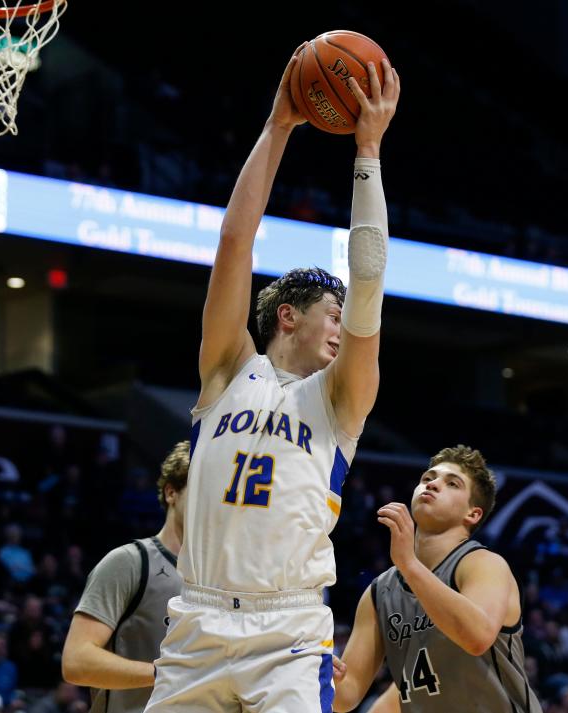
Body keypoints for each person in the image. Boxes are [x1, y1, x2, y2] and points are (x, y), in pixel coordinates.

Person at [144, 41, 399, 712]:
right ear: (287, 315)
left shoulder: (341, 398)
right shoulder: (227, 369)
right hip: (195, 621)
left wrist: (366, 153)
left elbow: (369, 277)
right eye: (331, 314)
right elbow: (236, 240)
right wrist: (278, 125)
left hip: (286, 633)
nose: (345, 327)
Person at [333, 445, 541, 713]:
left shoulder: (484, 565)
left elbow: (476, 637)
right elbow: (344, 696)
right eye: (427, 478)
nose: (432, 485)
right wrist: (321, 669)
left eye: (452, 483)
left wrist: (408, 564)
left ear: (473, 514)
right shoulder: (380, 593)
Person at [62, 441, 189, 712]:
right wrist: (164, 674)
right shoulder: (130, 562)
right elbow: (76, 661)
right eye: (203, 489)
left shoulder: (223, 578)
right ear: (171, 492)